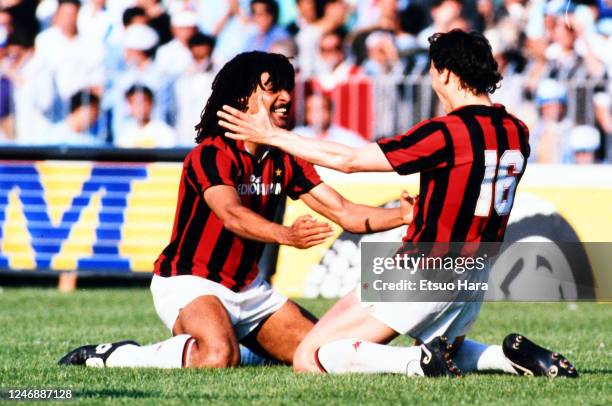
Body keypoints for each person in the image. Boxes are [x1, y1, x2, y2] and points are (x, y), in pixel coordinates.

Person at [217, 30, 578, 378]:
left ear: (447, 74)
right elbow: (471, 184)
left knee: (310, 357)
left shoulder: (447, 131)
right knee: (447, 351)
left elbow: (350, 161)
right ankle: (504, 358)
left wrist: (271, 135)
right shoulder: (517, 130)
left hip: (427, 266)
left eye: (434, 72)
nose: (433, 81)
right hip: (474, 272)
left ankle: (415, 365)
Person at [58, 51, 416, 369]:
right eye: (273, 88)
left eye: (287, 88)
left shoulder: (283, 158)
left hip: (249, 289)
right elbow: (231, 215)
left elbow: (347, 213)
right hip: (189, 282)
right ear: (244, 97)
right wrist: (287, 235)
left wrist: (402, 216)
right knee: (215, 356)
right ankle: (117, 356)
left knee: (321, 353)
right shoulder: (211, 154)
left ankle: (243, 346)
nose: (287, 97)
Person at [293, 93, 366, 147]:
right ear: (306, 115)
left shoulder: (347, 138)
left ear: (330, 112)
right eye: (312, 110)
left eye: (321, 109)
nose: (317, 114)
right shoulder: (297, 135)